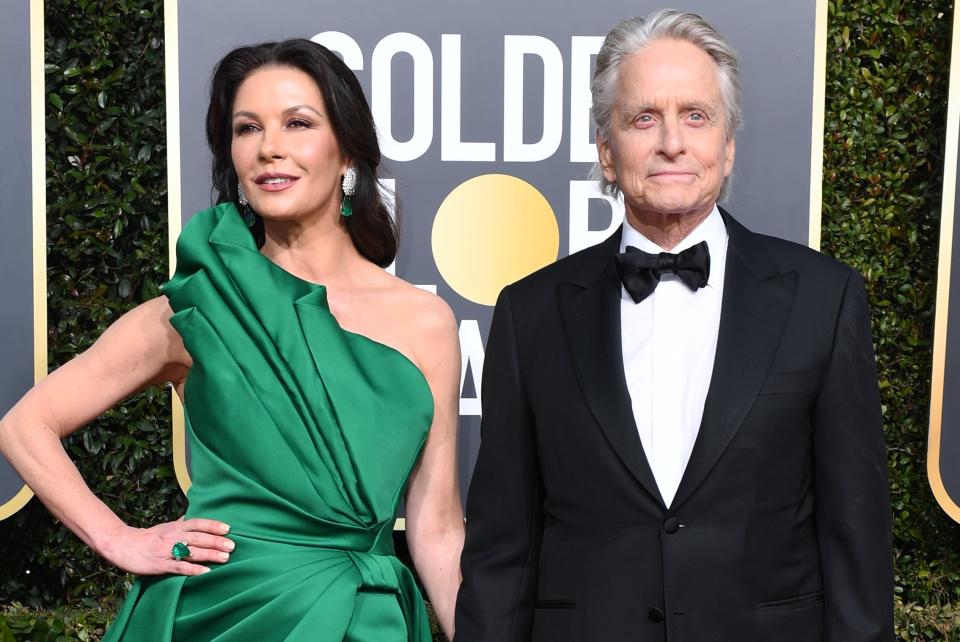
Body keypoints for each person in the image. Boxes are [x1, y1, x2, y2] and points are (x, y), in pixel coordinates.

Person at [0, 39, 464, 641]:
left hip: (362, 617)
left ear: (348, 151)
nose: (270, 147)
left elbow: (438, 529)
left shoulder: (426, 322)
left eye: (297, 123)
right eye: (247, 129)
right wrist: (118, 539)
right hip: (215, 614)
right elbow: (23, 425)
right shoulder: (198, 307)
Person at [454, 9, 892, 642]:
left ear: (728, 145)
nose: (672, 143)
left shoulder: (822, 298)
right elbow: (503, 549)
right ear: (607, 151)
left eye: (696, 116)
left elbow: (856, 538)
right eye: (643, 119)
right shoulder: (531, 314)